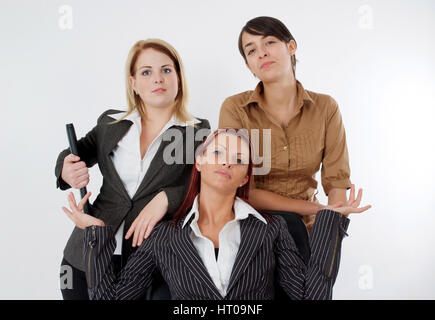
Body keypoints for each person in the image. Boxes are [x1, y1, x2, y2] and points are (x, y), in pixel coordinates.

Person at [61, 129, 371, 300]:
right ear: (198, 162)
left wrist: (331, 221)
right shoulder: (164, 237)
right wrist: (96, 232)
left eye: (239, 160)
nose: (227, 163)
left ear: (244, 177)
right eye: (218, 153)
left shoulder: (272, 230)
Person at [55, 38, 210, 300]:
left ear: (179, 78)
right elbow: (75, 152)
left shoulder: (196, 131)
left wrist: (166, 198)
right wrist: (64, 168)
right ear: (134, 83)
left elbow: (206, 185)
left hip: (148, 262)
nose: (157, 79)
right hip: (86, 255)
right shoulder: (111, 123)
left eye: (166, 70)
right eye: (146, 72)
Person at [219, 16, 353, 267]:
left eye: (269, 42)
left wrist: (331, 220)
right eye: (251, 50)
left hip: (311, 228)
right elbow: (241, 188)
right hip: (255, 229)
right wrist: (316, 209)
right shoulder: (235, 108)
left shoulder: (326, 108)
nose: (261, 53)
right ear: (249, 65)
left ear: (291, 47)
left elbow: (337, 183)